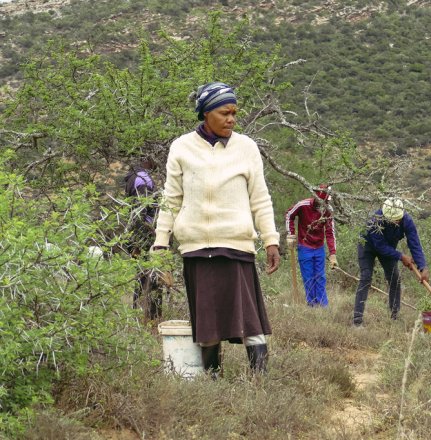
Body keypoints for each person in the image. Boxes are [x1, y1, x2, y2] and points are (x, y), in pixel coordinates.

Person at [151, 82, 280, 375]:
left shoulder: (246, 148)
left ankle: (260, 383)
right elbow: (170, 199)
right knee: (206, 326)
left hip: (236, 247)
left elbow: (260, 197)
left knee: (250, 322)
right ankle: (213, 382)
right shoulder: (182, 147)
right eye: (225, 113)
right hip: (196, 248)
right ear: (206, 113)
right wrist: (160, 244)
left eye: (234, 113)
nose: (231, 119)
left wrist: (271, 240)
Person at [353, 198, 429, 326]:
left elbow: (414, 243)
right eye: (393, 220)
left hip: (388, 248)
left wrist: (422, 266)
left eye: (398, 220)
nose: (396, 222)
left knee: (395, 278)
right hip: (367, 246)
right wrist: (401, 256)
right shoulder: (375, 219)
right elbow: (379, 246)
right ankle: (357, 321)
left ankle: (394, 317)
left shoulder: (407, 220)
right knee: (366, 278)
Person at [124, 156, 165, 320]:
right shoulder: (143, 180)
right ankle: (150, 319)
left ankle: (142, 317)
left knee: (143, 276)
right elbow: (140, 213)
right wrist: (141, 242)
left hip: (138, 236)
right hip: (145, 237)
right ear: (147, 159)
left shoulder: (133, 177)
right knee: (150, 277)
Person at [285, 185, 337, 307]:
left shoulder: (328, 210)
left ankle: (323, 306)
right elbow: (289, 215)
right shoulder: (303, 205)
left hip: (319, 247)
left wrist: (333, 253)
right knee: (308, 277)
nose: (323, 206)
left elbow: (330, 232)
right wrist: (291, 234)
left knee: (320, 277)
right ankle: (312, 305)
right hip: (305, 246)